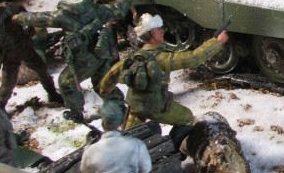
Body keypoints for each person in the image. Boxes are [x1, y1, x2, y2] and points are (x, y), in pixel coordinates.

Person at [14, 0, 138, 121]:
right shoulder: (94, 8)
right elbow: (117, 10)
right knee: (102, 83)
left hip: (83, 60)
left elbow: (38, 18)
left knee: (66, 82)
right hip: (101, 52)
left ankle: (76, 112)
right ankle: (119, 107)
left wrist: (18, 17)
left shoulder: (62, 15)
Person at [98, 13, 230, 135]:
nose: (162, 31)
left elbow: (111, 76)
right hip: (156, 107)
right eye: (158, 30)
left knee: (128, 133)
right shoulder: (162, 59)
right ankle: (173, 147)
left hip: (135, 106)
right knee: (187, 118)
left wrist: (108, 95)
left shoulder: (134, 57)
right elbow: (193, 58)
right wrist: (217, 42)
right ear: (151, 34)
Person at [0, 0, 62, 112]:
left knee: (41, 69)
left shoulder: (8, 8)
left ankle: (52, 93)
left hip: (24, 46)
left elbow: (22, 11)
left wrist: (29, 26)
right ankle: (1, 106)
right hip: (10, 54)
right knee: (8, 82)